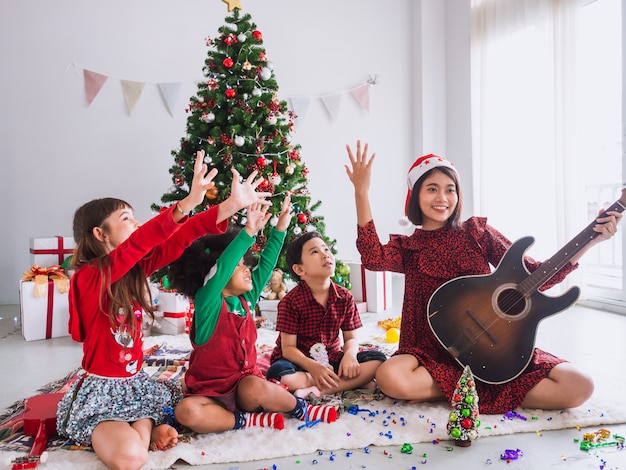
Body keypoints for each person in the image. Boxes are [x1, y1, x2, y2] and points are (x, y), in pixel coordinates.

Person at [345, 140, 623, 414]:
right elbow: (372, 256)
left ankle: (470, 387)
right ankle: (486, 390)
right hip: (430, 351)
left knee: (579, 386)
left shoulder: (477, 233)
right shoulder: (410, 247)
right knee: (391, 376)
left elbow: (539, 276)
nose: (442, 198)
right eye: (432, 189)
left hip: (493, 351)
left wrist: (592, 241)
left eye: (450, 190)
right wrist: (361, 191)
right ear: (416, 195)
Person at [56, 150, 271, 470]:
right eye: (126, 219)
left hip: (134, 384)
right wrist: (185, 203)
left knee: (137, 448)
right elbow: (140, 242)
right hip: (102, 391)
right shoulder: (89, 278)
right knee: (131, 458)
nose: (138, 223)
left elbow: (180, 238)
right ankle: (145, 427)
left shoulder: (134, 271)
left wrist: (229, 206)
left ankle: (144, 423)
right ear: (100, 235)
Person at [167, 194, 337, 435]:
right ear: (214, 275)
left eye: (244, 263)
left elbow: (266, 265)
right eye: (239, 265)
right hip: (209, 395)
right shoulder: (208, 303)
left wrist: (280, 229)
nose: (246, 268)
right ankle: (245, 421)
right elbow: (223, 264)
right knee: (186, 412)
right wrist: (247, 232)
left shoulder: (245, 300)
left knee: (257, 386)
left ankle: (302, 409)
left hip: (246, 387)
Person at [266, 231, 386, 398]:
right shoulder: (290, 302)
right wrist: (313, 368)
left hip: (332, 358)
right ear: (299, 269)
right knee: (278, 373)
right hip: (300, 362)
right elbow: (289, 349)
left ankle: (316, 390)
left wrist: (350, 356)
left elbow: (350, 338)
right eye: (315, 252)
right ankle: (347, 382)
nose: (325, 255)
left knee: (378, 359)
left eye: (326, 249)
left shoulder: (345, 297)